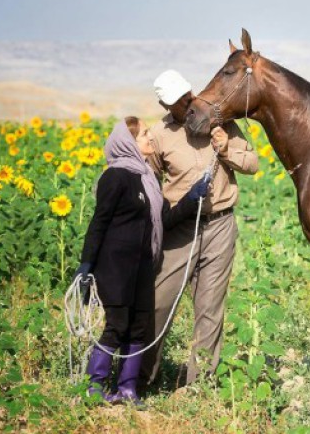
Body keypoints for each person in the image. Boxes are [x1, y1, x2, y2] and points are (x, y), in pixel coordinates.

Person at [75, 116, 209, 405]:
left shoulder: (148, 178)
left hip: (142, 267)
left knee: (138, 328)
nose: (150, 138)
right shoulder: (115, 177)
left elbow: (164, 220)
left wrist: (191, 198)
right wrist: (86, 266)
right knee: (117, 325)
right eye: (145, 134)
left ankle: (127, 389)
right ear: (128, 142)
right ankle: (94, 385)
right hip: (115, 267)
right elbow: (98, 223)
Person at [141, 69, 258, 387]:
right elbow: (149, 184)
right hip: (179, 229)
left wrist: (225, 148)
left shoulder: (222, 123)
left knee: (209, 309)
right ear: (166, 107)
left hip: (219, 224)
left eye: (188, 95)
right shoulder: (158, 135)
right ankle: (140, 379)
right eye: (179, 102)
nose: (187, 103)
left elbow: (252, 164)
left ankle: (200, 385)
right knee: (158, 302)